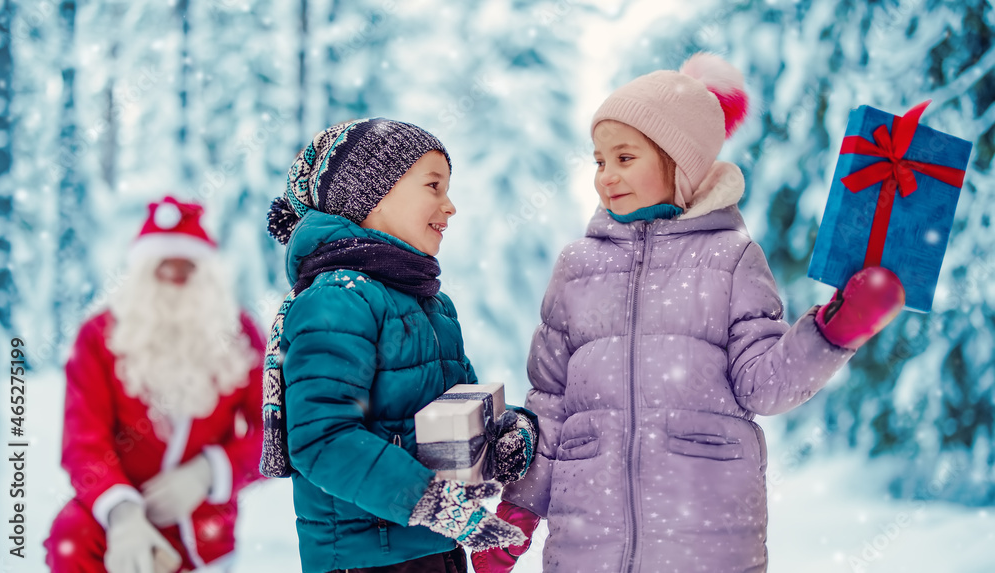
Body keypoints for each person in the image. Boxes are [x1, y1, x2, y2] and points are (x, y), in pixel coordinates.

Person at [471, 53, 906, 573]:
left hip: (704, 541)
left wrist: (833, 332)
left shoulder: (731, 258)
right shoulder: (577, 267)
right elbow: (551, 404)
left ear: (681, 164)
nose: (606, 176)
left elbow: (762, 385)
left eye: (625, 158)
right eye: (599, 161)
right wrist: (520, 508)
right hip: (589, 544)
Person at [262, 118, 535, 573]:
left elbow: (451, 416)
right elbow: (322, 440)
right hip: (365, 560)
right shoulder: (337, 299)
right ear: (371, 195)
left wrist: (507, 435)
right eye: (433, 186)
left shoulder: (432, 305)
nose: (450, 207)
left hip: (436, 552)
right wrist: (435, 505)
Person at [44, 196, 267, 572]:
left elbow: (277, 428)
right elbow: (83, 441)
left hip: (203, 529)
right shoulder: (99, 338)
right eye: (164, 267)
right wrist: (121, 511)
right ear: (142, 272)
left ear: (208, 275)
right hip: (110, 522)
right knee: (70, 537)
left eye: (188, 268)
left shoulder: (240, 335)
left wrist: (211, 472)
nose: (175, 278)